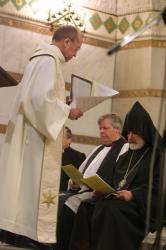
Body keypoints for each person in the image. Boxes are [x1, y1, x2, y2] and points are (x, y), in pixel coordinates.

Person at [0, 25, 83, 245]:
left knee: (21, 185)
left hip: (30, 132)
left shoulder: (40, 59)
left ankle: (17, 231)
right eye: (77, 47)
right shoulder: (48, 60)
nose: (75, 54)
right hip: (35, 138)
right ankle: (29, 234)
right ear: (66, 42)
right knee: (31, 184)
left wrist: (61, 105)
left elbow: (39, 98)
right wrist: (68, 111)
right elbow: (39, 101)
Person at [67, 101, 163, 250]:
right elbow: (113, 180)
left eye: (134, 133)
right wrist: (102, 190)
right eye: (128, 133)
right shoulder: (126, 156)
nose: (129, 137)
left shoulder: (157, 156)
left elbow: (159, 188)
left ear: (144, 132)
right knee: (86, 206)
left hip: (140, 206)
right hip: (117, 200)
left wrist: (132, 195)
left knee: (109, 210)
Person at [56, 113, 129, 250]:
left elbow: (120, 176)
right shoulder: (98, 148)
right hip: (83, 189)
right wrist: (74, 181)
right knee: (57, 200)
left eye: (105, 128)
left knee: (69, 203)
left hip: (100, 193)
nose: (101, 131)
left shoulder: (124, 148)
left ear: (117, 129)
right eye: (100, 128)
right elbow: (83, 171)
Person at [60, 126, 86, 191]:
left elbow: (82, 181)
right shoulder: (49, 154)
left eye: (61, 136)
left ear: (69, 140)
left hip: (67, 193)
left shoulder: (79, 156)